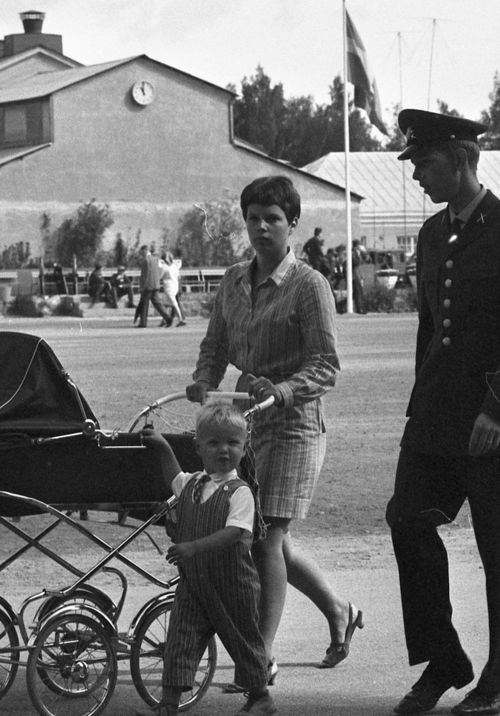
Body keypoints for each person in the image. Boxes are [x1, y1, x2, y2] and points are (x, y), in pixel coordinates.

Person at [386, 109, 500, 716]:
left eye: (425, 163)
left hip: (496, 421)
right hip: (438, 415)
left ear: (461, 160)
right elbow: (431, 330)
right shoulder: (433, 235)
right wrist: (422, 406)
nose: (417, 176)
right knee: (407, 518)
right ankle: (445, 658)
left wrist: (498, 410)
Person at [189, 175, 361, 683]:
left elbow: (326, 365)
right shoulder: (232, 280)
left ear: (293, 224)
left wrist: (283, 390)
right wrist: (204, 380)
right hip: (245, 424)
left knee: (265, 538)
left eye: (273, 219)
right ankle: (338, 610)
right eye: (253, 219)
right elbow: (215, 344)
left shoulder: (309, 285)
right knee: (268, 537)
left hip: (294, 425)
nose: (262, 228)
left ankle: (258, 657)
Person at [139, 403, 275, 716]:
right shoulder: (194, 483)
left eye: (232, 443)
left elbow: (234, 533)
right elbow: (174, 477)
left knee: (242, 640)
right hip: (194, 583)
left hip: (233, 584)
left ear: (245, 447)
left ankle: (261, 696)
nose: (223, 450)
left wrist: (193, 548)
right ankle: (169, 704)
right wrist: (161, 446)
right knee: (180, 639)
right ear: (198, 447)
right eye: (214, 442)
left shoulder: (239, 492)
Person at [135, 244, 173, 328]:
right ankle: (167, 317)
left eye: (141, 252)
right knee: (157, 303)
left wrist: (142, 287)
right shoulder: (156, 259)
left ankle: (143, 322)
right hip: (156, 285)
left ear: (144, 250)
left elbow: (145, 275)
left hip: (148, 286)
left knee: (144, 304)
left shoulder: (146, 260)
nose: (141, 254)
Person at [161, 250, 187, 326]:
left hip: (169, 287)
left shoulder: (165, 267)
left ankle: (180, 319)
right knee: (166, 304)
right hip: (174, 286)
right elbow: (178, 277)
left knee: (174, 303)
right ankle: (165, 320)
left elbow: (160, 276)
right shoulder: (175, 267)